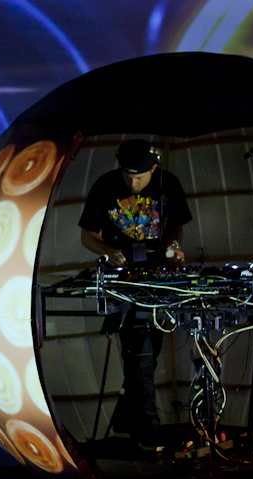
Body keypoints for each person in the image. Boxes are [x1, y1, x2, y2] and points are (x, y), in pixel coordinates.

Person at [78, 139, 192, 449]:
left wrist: (174, 247)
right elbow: (87, 235)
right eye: (127, 176)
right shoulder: (105, 186)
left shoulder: (169, 184)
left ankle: (126, 419)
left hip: (157, 275)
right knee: (139, 350)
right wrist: (108, 251)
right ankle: (148, 426)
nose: (132, 183)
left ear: (153, 169)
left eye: (139, 177)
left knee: (148, 352)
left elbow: (177, 227)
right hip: (123, 276)